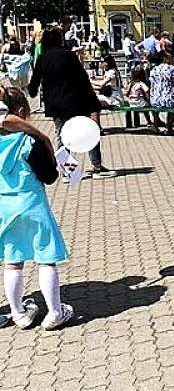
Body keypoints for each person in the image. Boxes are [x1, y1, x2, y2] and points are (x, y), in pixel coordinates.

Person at [0, 87, 74, 330]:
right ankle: (55, 312)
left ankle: (18, 313)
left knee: (12, 261)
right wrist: (54, 159)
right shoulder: (29, 141)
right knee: (46, 259)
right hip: (33, 206)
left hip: (5, 209)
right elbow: (49, 176)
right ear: (22, 111)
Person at [28, 27, 116, 179]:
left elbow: (34, 81)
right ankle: (97, 167)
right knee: (89, 131)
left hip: (55, 105)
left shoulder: (43, 58)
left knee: (62, 136)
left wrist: (32, 92)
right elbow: (83, 80)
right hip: (75, 102)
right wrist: (93, 102)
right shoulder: (69, 55)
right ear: (59, 39)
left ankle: (68, 172)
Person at [125, 66, 159, 132]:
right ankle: (152, 123)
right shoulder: (141, 84)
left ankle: (148, 122)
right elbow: (147, 92)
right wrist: (148, 99)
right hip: (139, 103)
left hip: (131, 103)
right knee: (150, 106)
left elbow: (126, 94)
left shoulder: (130, 83)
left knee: (144, 106)